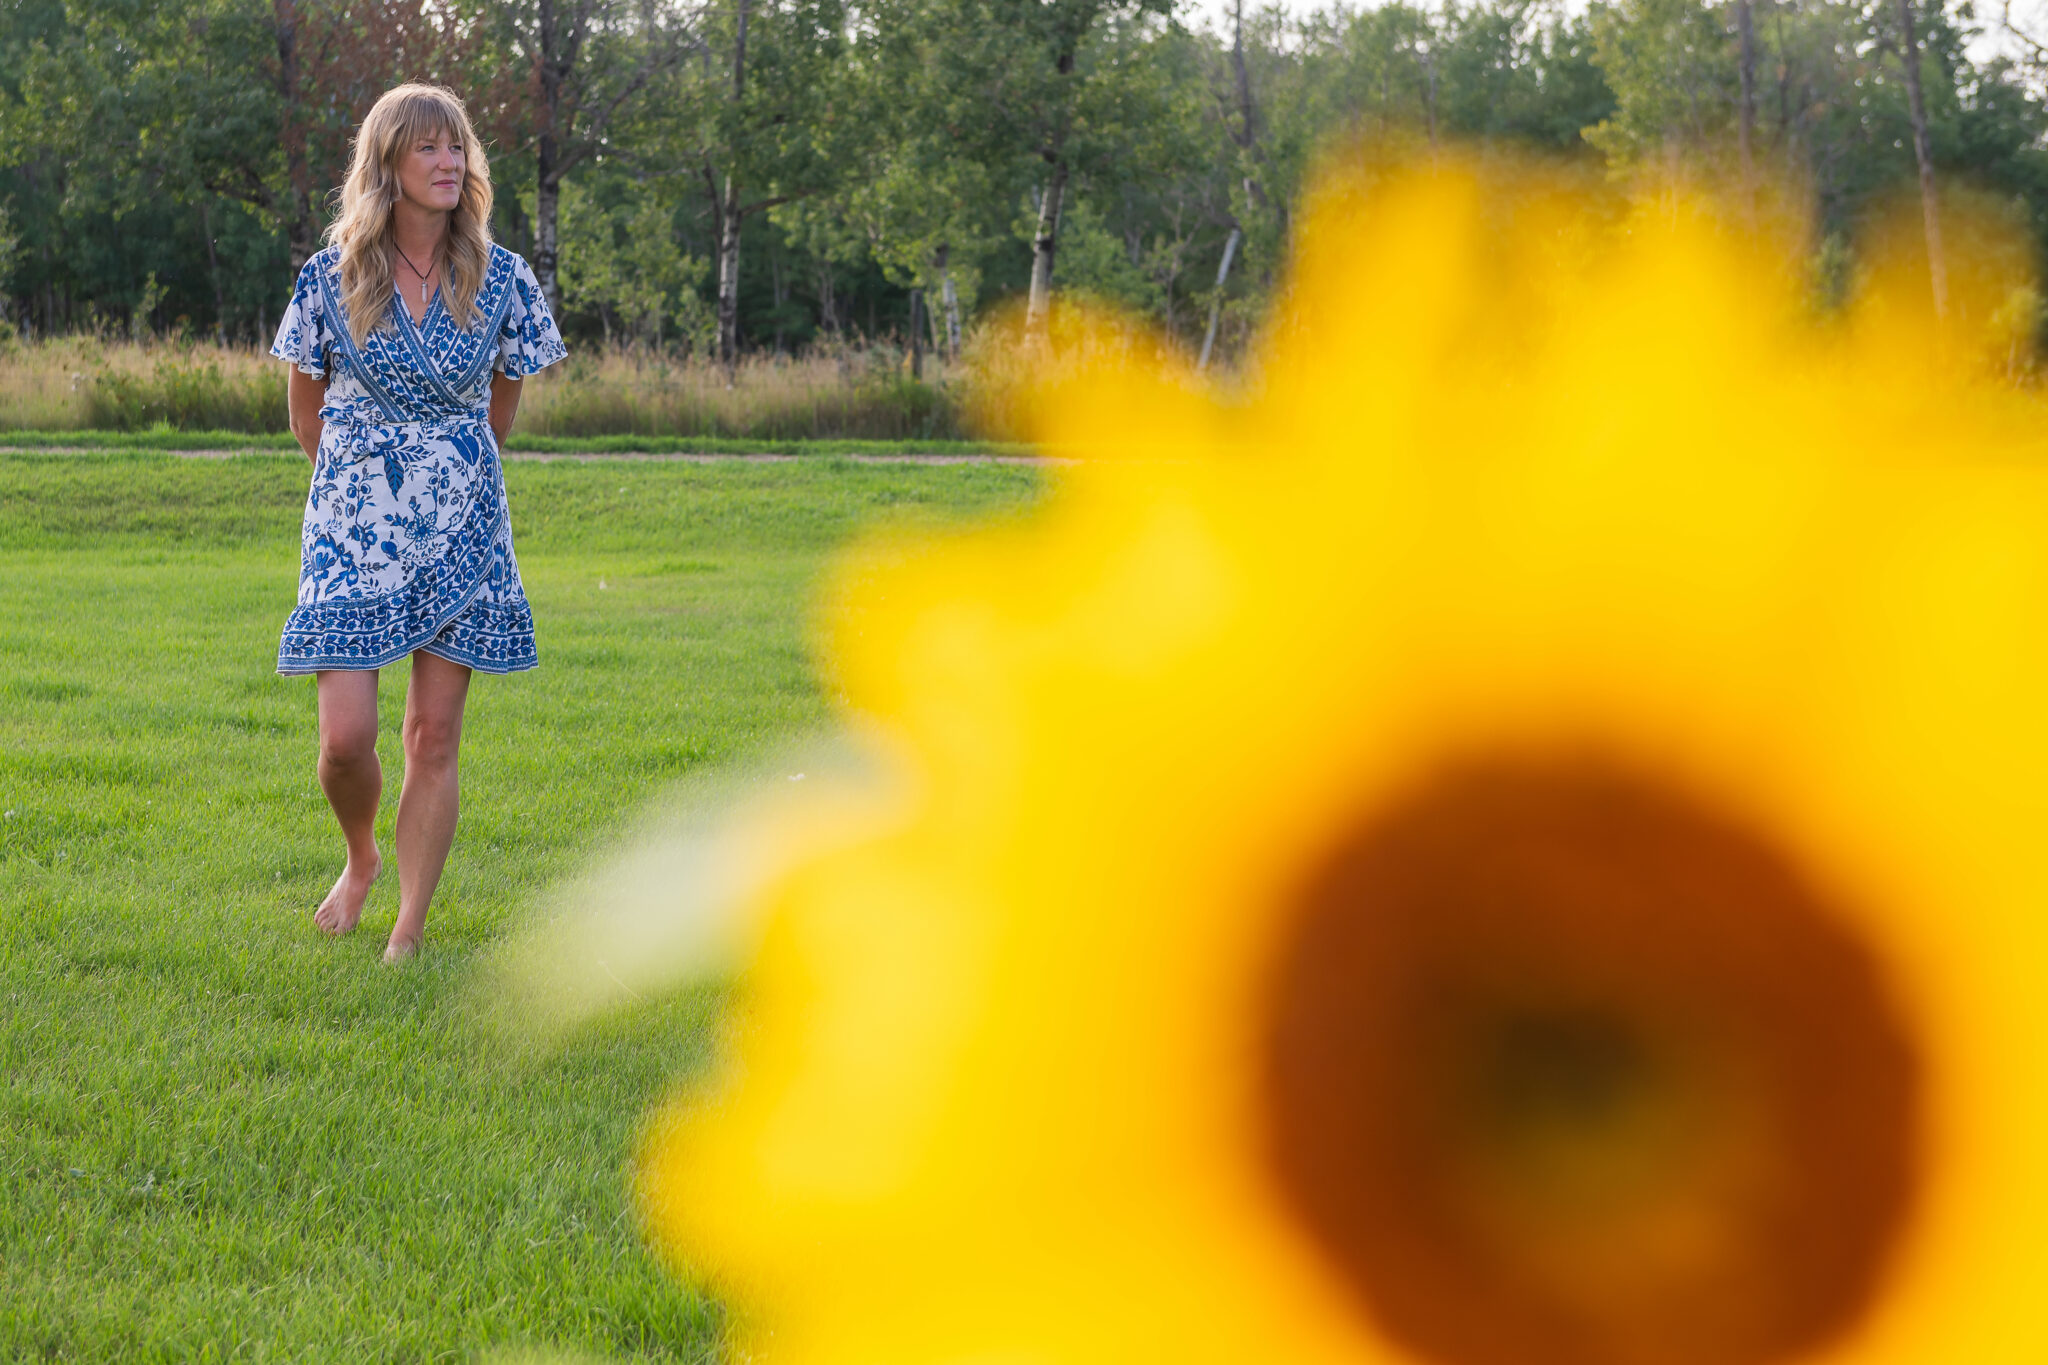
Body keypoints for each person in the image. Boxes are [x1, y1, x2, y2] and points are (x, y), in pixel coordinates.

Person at [270, 82, 565, 963]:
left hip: (463, 522)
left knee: (434, 736)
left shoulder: (505, 276)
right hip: (353, 521)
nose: (450, 163)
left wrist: (444, 478)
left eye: (458, 148)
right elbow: (302, 413)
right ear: (388, 164)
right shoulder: (329, 278)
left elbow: (500, 413)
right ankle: (360, 857)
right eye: (429, 148)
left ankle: (407, 926)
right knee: (345, 738)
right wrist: (363, 490)